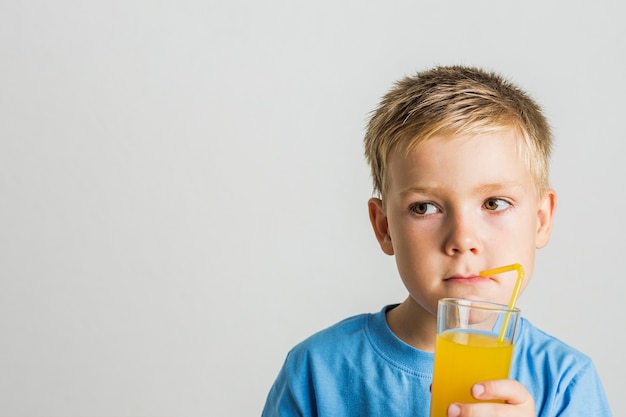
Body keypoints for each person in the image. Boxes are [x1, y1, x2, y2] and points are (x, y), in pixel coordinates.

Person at [261, 65, 612, 417]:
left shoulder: (567, 384)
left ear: (541, 220)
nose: (462, 239)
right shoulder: (315, 372)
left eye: (494, 203)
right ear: (384, 227)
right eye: (425, 207)